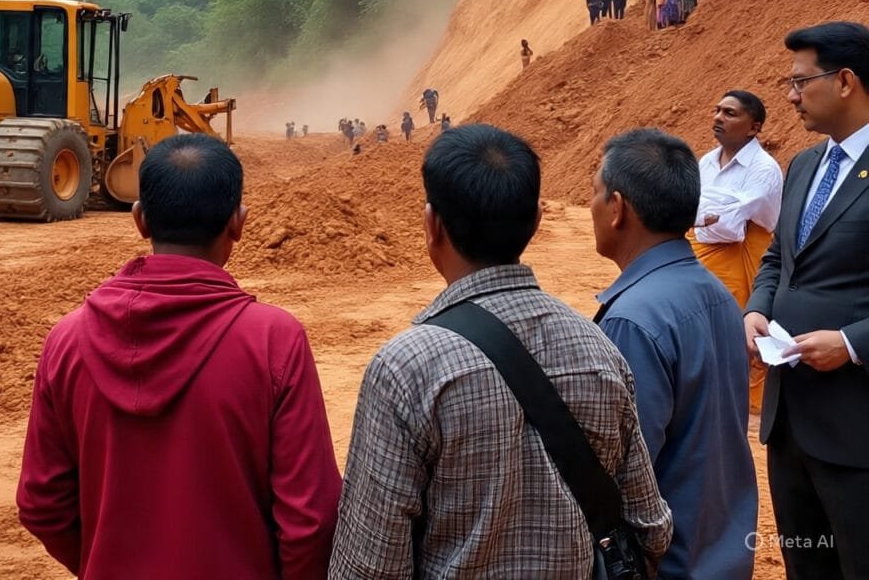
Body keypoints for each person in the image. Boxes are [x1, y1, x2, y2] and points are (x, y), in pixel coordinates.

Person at [329, 124, 672, 579]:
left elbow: (369, 567)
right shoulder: (601, 349)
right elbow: (651, 528)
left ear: (432, 225)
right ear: (535, 222)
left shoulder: (405, 369)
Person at [17, 134, 341, 580]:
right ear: (238, 223)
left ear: (140, 220)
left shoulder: (66, 340)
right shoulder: (274, 341)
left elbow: (41, 504)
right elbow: (310, 521)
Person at [592, 128, 757, 580]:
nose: (591, 206)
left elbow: (622, 471)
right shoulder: (717, 294)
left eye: (595, 192)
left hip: (666, 563)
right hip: (719, 550)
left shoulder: (633, 321)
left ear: (618, 208)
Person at [745, 22, 869, 579]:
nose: (790, 95)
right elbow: (778, 258)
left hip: (857, 424)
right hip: (789, 420)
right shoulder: (802, 166)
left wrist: (850, 342)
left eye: (801, 81)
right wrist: (757, 309)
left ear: (845, 81)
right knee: (807, 566)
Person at [692, 90, 783, 413]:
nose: (718, 117)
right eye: (717, 110)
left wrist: (708, 214)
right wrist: (711, 214)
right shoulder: (705, 161)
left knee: (744, 332)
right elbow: (697, 210)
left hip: (749, 255)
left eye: (730, 113)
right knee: (706, 326)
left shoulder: (764, 169)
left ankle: (753, 405)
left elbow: (730, 225)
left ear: (753, 127)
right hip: (704, 260)